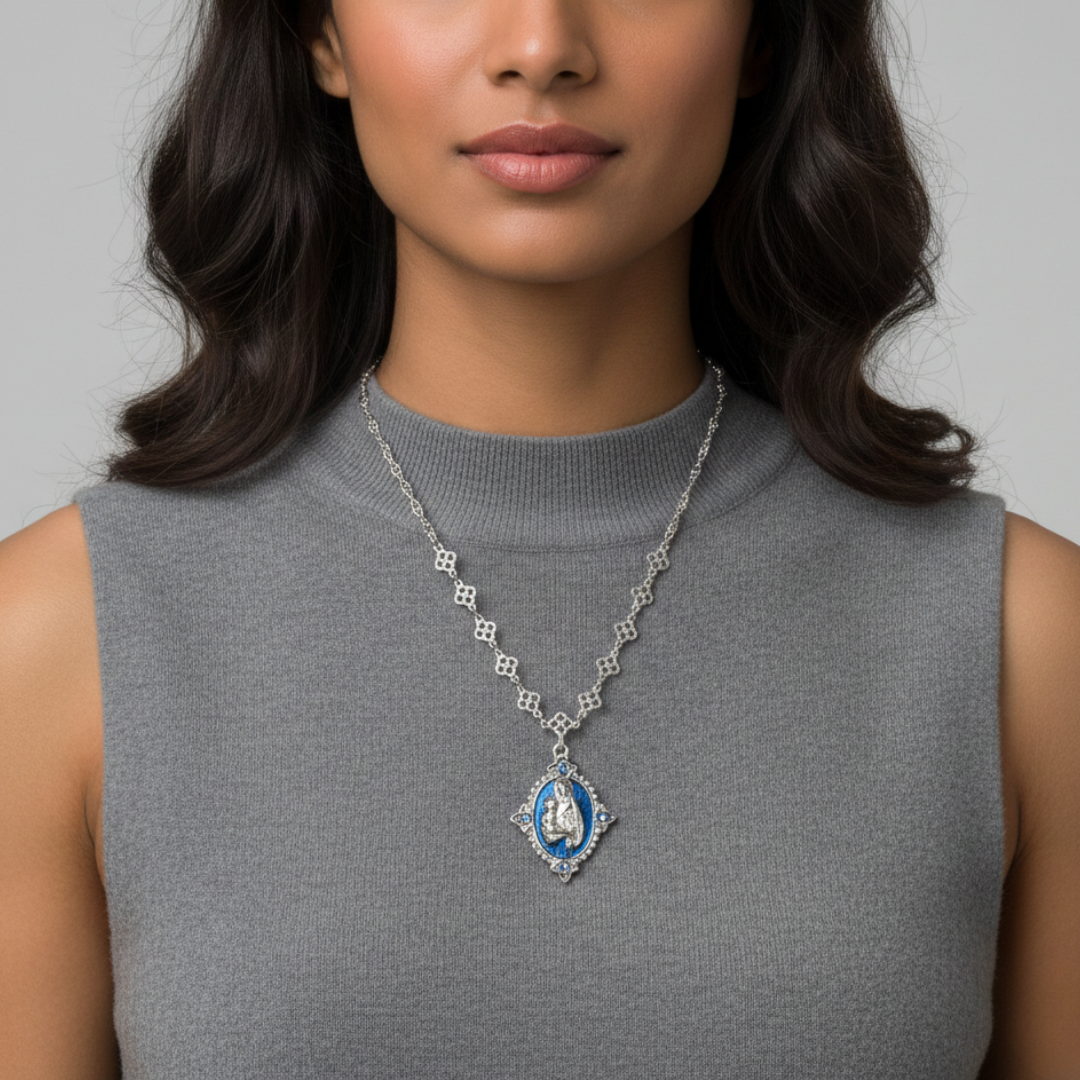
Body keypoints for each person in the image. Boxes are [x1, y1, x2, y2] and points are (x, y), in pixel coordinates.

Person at [1, 0, 1077, 1075]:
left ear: (764, 38)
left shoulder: (1021, 641)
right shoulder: (61, 642)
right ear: (316, 36)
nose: (541, 49)